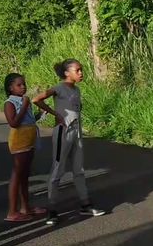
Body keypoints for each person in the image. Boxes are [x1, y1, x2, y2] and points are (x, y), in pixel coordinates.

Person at [32, 59, 105, 225]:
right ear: (67, 73)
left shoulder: (77, 90)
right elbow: (37, 99)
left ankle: (85, 204)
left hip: (77, 133)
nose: (81, 73)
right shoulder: (59, 88)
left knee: (78, 169)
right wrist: (55, 114)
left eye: (81, 70)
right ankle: (52, 210)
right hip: (63, 133)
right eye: (77, 70)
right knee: (58, 169)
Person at [3, 73, 46, 222]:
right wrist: (24, 106)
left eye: (24, 84)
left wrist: (38, 114)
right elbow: (13, 122)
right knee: (17, 173)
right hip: (19, 140)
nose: (23, 87)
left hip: (30, 138)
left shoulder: (23, 100)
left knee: (25, 174)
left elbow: (28, 119)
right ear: (11, 87)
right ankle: (12, 211)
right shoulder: (10, 102)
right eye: (19, 85)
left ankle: (25, 207)